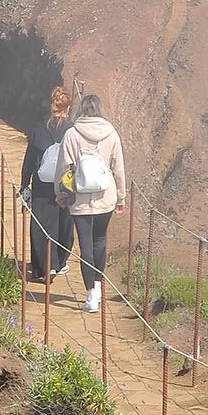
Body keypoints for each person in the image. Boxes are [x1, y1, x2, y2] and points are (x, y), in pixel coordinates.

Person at [59, 93, 126, 312]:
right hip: (105, 198)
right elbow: (118, 169)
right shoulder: (111, 134)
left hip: (80, 199)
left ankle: (90, 296)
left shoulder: (71, 134)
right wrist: (121, 196)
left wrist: (60, 195)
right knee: (100, 242)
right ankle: (97, 288)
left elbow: (63, 169)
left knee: (85, 245)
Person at [19, 86, 73, 283]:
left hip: (42, 182)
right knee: (64, 222)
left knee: (41, 223)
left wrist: (25, 184)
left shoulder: (39, 127)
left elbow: (30, 158)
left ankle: (44, 267)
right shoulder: (72, 129)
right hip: (66, 182)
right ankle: (59, 262)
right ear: (68, 108)